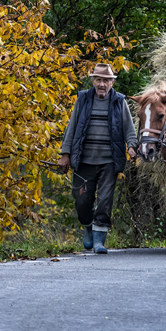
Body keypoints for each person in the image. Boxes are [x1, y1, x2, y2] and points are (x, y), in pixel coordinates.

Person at [58, 63, 137, 254]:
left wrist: (132, 146)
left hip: (109, 161)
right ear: (93, 81)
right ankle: (88, 226)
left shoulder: (119, 101)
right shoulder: (83, 99)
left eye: (106, 80)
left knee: (105, 200)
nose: (102, 84)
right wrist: (65, 154)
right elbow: (72, 127)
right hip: (84, 160)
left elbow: (129, 127)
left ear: (112, 83)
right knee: (81, 200)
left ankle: (99, 240)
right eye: (99, 80)